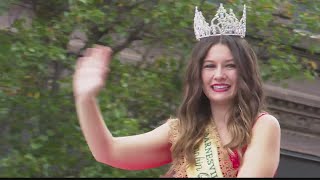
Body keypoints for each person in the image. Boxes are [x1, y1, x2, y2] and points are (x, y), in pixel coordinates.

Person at [73, 3, 281, 178]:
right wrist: (86, 99)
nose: (219, 75)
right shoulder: (184, 129)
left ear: (245, 71)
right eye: (209, 66)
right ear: (197, 74)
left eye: (230, 66)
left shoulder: (262, 127)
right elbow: (109, 151)